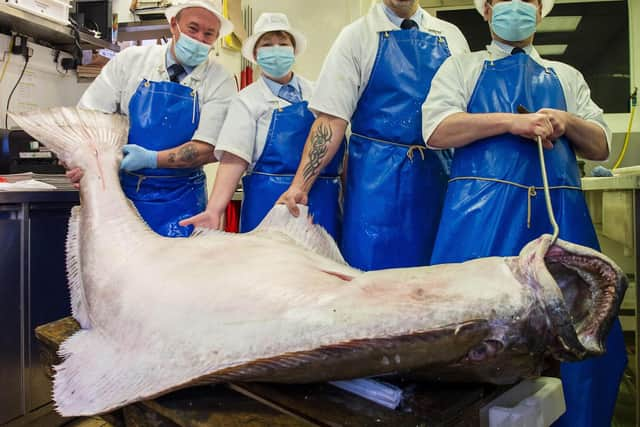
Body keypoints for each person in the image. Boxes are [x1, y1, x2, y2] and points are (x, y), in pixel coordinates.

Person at [421, 0, 627, 425]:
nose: (514, 9)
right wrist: (511, 123)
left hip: (560, 216)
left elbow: (601, 144)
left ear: (540, 10)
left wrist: (566, 121)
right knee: (468, 327)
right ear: (485, 11)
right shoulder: (463, 67)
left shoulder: (566, 76)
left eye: (525, 1)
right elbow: (437, 129)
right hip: (481, 215)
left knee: (579, 327)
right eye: (502, 2)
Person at [277, 0, 469, 271]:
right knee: (371, 279)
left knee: (438, 281)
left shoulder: (452, 36)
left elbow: (467, 117)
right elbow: (331, 120)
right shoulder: (356, 37)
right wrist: (300, 186)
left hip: (441, 178)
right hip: (376, 185)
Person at [69, 0, 236, 237]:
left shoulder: (220, 80)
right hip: (121, 194)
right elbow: (89, 119)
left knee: (177, 271)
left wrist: (150, 159)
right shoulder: (130, 61)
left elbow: (208, 149)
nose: (199, 38)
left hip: (184, 200)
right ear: (173, 24)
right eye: (192, 28)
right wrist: (86, 162)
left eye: (208, 34)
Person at [180, 12, 343, 239]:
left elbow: (338, 147)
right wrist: (214, 209)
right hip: (268, 207)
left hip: (322, 204)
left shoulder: (319, 93)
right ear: (256, 55)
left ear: (293, 50)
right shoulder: (246, 100)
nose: (276, 49)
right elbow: (234, 158)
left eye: (282, 43)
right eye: (267, 45)